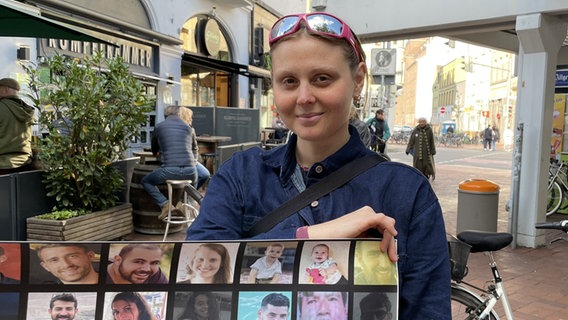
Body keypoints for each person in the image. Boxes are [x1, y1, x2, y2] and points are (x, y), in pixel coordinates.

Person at [186, 12, 450, 318]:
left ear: (358, 80)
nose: (304, 97)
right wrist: (312, 236)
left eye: (322, 78)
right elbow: (198, 281)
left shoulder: (407, 192)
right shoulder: (240, 176)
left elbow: (427, 311)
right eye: (289, 81)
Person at [141, 105, 198, 219]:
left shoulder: (159, 127)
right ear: (178, 114)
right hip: (191, 170)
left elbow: (154, 149)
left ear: (165, 115)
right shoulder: (188, 128)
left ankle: (165, 204)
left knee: (146, 181)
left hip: (169, 170)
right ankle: (183, 203)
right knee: (194, 183)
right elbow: (194, 148)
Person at [0, 77, 36, 175]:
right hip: (25, 163)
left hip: (3, 165)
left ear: (5, 89)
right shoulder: (27, 109)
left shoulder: (1, 107)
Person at [177, 106, 210, 191]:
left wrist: (194, 161)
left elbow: (195, 148)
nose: (191, 119)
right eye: (190, 117)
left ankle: (188, 194)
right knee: (191, 175)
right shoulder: (173, 129)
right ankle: (186, 196)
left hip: (190, 161)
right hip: (177, 161)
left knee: (205, 174)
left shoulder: (191, 130)